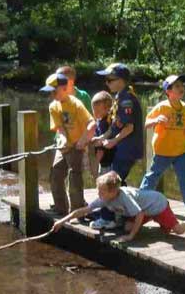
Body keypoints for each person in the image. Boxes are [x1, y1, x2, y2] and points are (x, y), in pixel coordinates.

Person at [51, 171, 185, 242]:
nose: (98, 194)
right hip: (144, 210)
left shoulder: (124, 197)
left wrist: (131, 237)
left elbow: (140, 213)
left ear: (113, 191)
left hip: (158, 206)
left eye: (101, 192)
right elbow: (83, 210)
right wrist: (62, 221)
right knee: (128, 226)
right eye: (98, 191)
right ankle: (162, 226)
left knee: (177, 231)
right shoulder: (106, 198)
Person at [139, 75, 185, 218]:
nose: (181, 88)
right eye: (176, 86)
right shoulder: (162, 107)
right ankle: (139, 202)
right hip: (163, 151)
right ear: (168, 91)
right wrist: (156, 120)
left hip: (180, 151)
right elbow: (146, 124)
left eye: (182, 85)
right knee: (152, 177)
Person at [92, 63, 144, 229]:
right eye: (106, 80)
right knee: (118, 183)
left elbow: (129, 127)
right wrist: (103, 137)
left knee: (110, 183)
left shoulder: (127, 99)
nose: (107, 83)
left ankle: (108, 219)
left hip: (127, 149)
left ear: (121, 81)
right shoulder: (120, 97)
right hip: (121, 148)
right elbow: (116, 125)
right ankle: (120, 215)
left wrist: (112, 141)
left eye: (110, 80)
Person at [40, 73, 96, 216]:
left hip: (77, 146)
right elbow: (60, 128)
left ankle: (77, 210)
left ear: (65, 88)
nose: (52, 95)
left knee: (74, 176)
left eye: (54, 91)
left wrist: (82, 141)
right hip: (64, 146)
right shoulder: (53, 106)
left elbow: (92, 124)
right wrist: (63, 140)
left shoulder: (76, 104)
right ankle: (61, 208)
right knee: (56, 173)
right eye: (49, 92)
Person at [89, 91, 115, 178]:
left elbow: (103, 141)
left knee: (105, 178)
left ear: (108, 109)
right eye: (93, 109)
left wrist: (97, 158)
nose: (95, 113)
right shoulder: (99, 121)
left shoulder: (106, 122)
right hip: (103, 159)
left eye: (97, 110)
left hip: (106, 157)